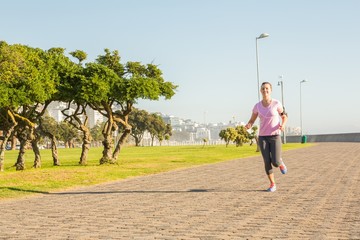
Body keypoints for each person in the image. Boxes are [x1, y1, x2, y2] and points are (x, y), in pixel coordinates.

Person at [245, 82, 288, 192]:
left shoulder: (276, 103)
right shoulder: (257, 106)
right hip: (263, 137)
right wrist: (249, 125)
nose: (265, 90)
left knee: (275, 162)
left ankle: (280, 162)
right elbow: (252, 120)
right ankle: (272, 184)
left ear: (271, 90)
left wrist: (283, 124)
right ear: (261, 91)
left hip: (275, 136)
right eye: (263, 88)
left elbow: (284, 116)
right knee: (266, 161)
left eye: (267, 88)